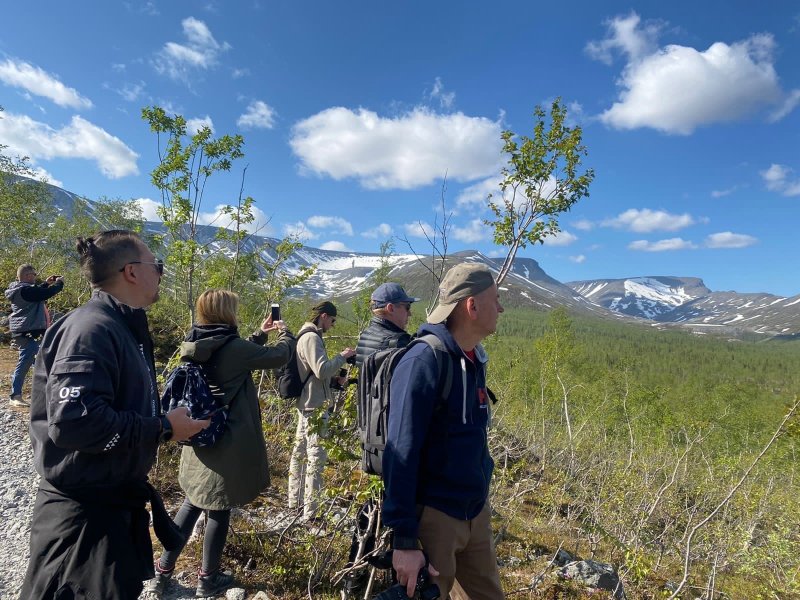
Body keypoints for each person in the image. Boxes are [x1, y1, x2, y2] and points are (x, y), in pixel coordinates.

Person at [21, 230, 210, 600]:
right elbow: (75, 423)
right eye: (157, 265)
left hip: (109, 512)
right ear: (132, 272)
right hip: (81, 525)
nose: (161, 273)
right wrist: (163, 427)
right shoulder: (91, 329)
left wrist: (164, 424)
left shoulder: (119, 327)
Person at [146, 289, 296, 597]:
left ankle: (162, 571)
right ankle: (208, 579)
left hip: (198, 434)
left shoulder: (196, 341)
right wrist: (286, 333)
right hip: (225, 441)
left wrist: (258, 335)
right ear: (227, 312)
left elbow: (231, 358)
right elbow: (279, 356)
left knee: (192, 502)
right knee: (218, 507)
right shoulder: (235, 348)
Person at [382, 263, 505, 599]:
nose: (500, 308)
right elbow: (400, 451)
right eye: (495, 299)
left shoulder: (473, 359)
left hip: (475, 511)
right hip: (436, 518)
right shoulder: (423, 360)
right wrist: (404, 539)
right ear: (472, 306)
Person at [288, 300, 356, 521]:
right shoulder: (311, 338)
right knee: (316, 457)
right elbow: (321, 370)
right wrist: (343, 356)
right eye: (333, 320)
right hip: (314, 407)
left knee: (300, 453)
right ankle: (311, 513)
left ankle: (295, 504)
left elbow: (316, 374)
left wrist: (334, 381)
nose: (333, 325)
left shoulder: (306, 335)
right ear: (324, 316)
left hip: (307, 403)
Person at [4, 264, 64, 407]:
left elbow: (37, 292)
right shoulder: (25, 290)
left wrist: (46, 283)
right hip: (27, 331)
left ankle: (47, 396)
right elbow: (44, 294)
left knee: (40, 362)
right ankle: (15, 395)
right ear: (27, 276)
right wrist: (59, 284)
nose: (35, 277)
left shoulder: (21, 290)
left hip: (27, 330)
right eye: (34, 274)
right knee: (26, 361)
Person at [354, 282, 419, 367]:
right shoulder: (398, 341)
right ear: (391, 308)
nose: (409, 313)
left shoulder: (365, 334)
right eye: (407, 307)